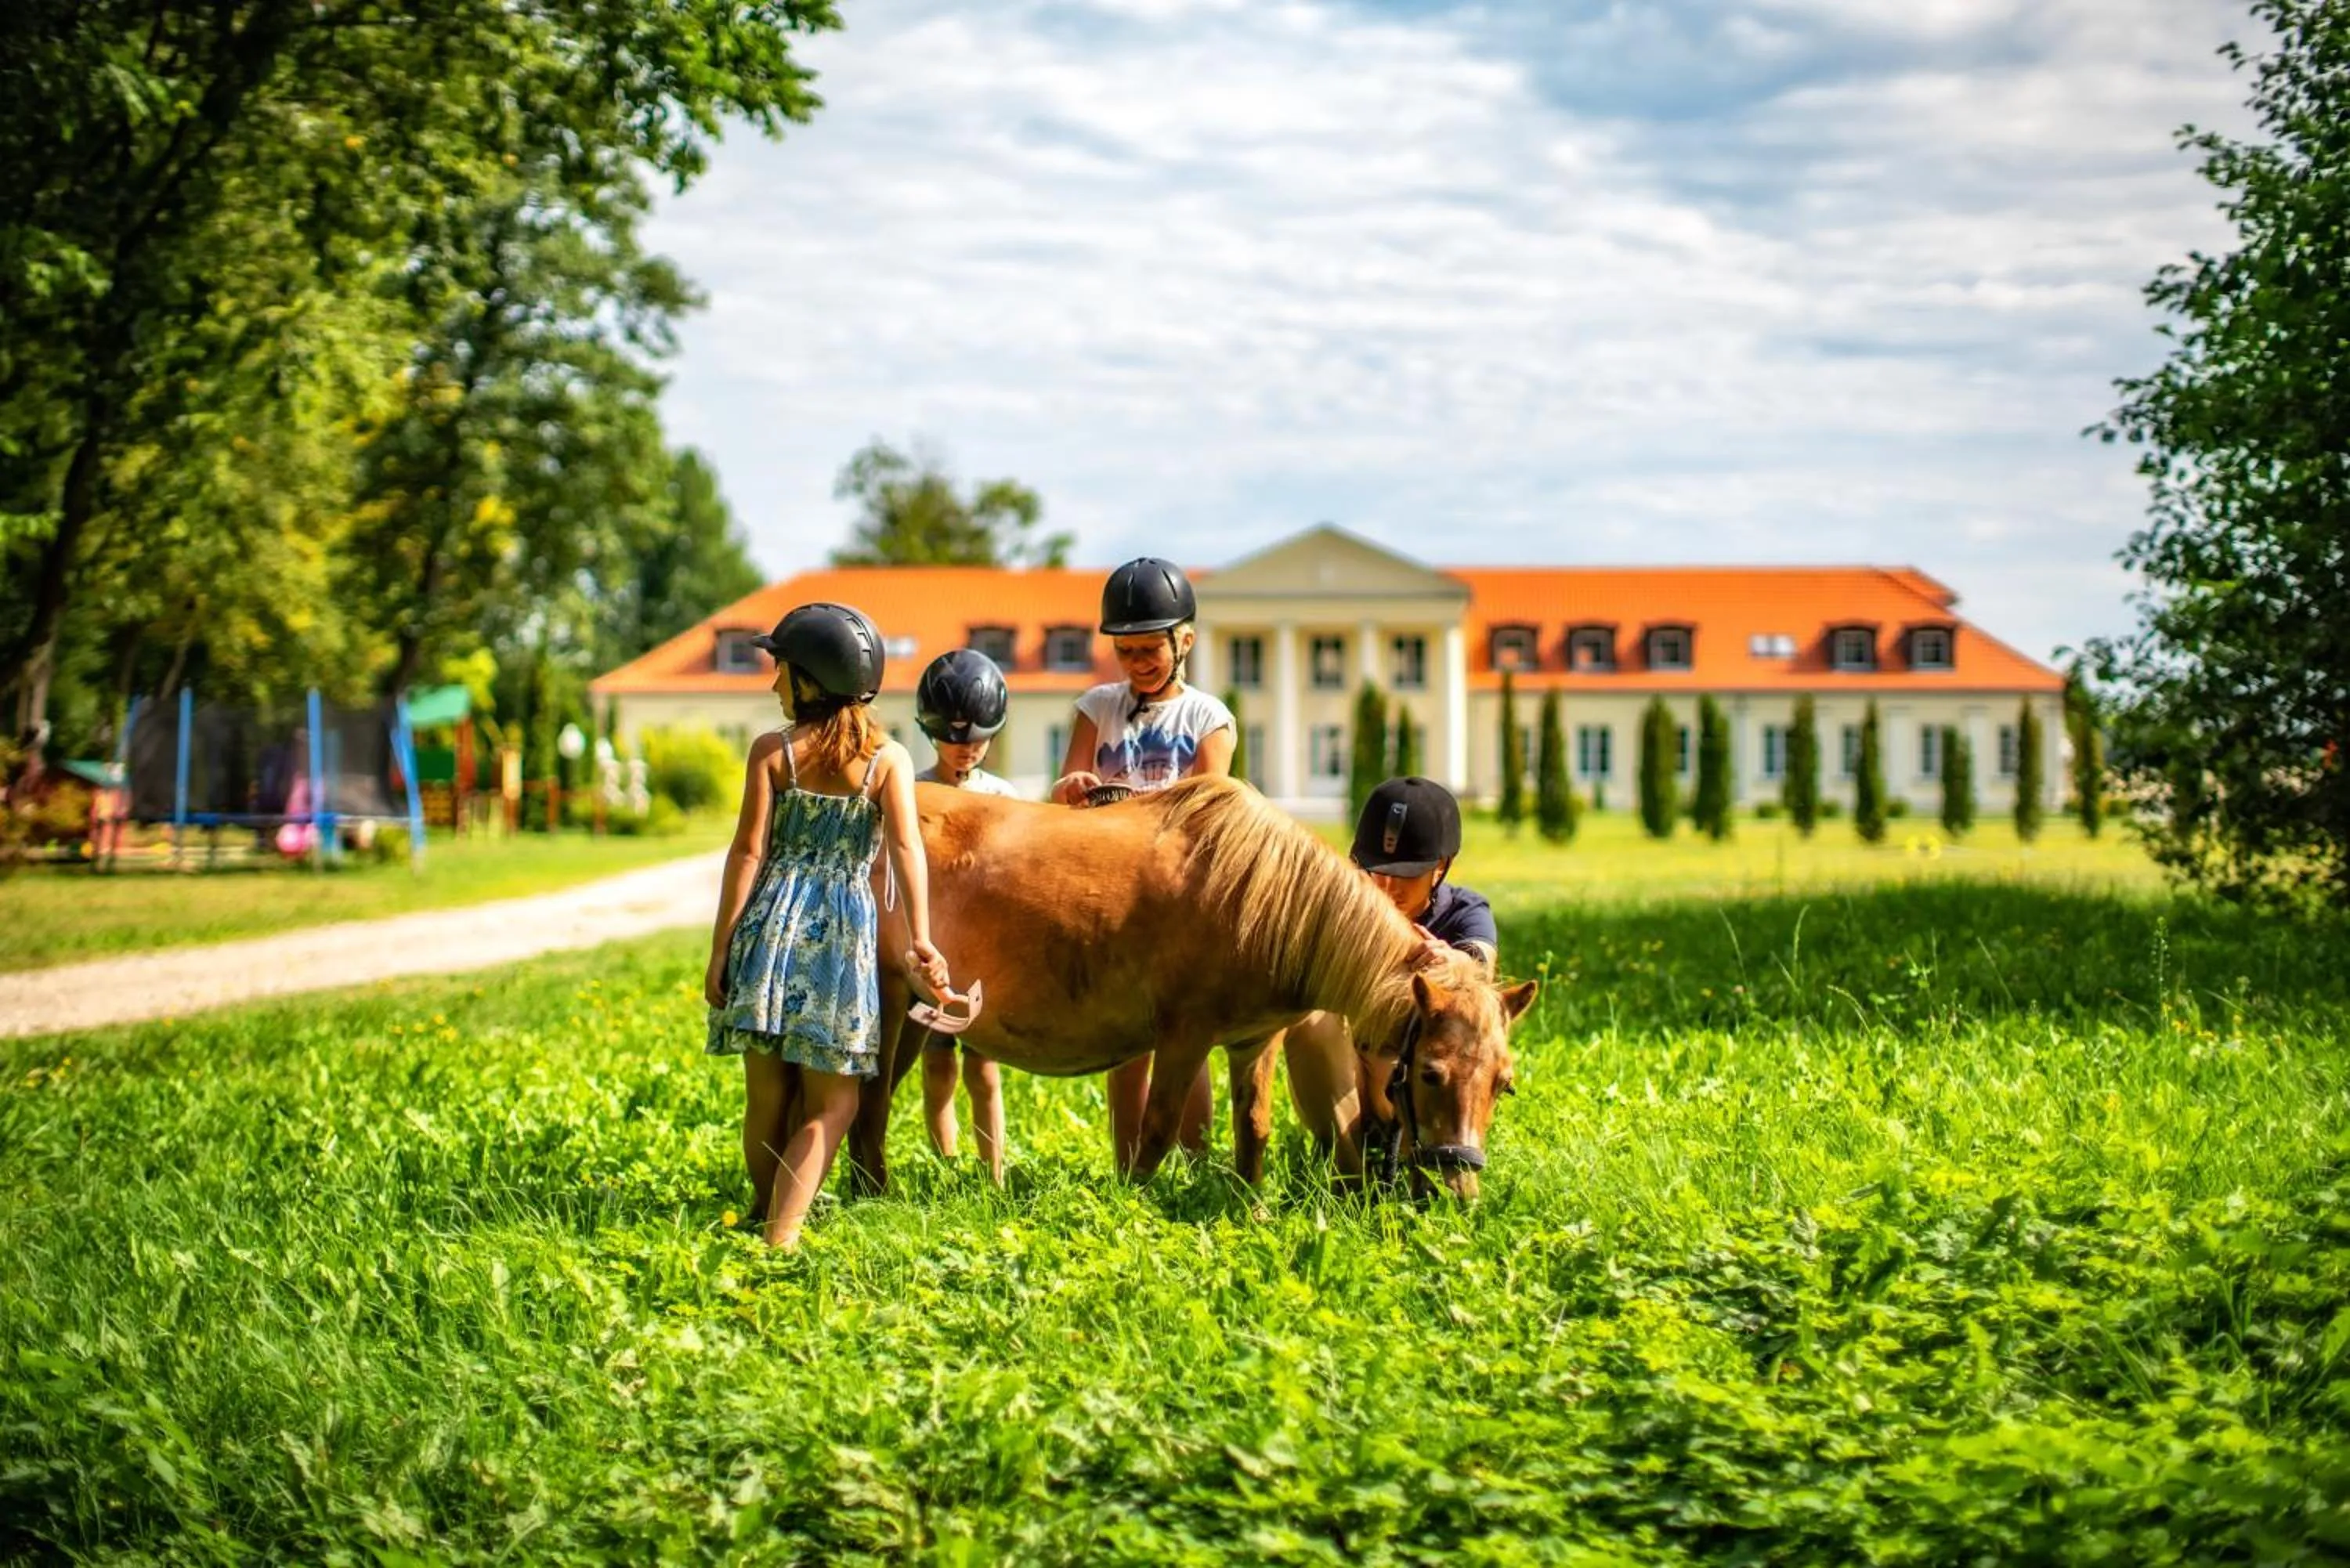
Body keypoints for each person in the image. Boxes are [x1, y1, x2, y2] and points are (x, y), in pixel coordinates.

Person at [704, 602, 956, 1249]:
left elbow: (749, 854)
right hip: (840, 942)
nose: (772, 683)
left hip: (768, 931)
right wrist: (922, 937)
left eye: (780, 670)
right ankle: (781, 1236)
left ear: (811, 680)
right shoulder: (888, 760)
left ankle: (766, 1210)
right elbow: (906, 852)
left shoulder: (773, 752)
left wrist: (722, 947)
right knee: (833, 1105)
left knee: (765, 1097)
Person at [1050, 558, 1236, 1169]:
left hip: (1178, 896)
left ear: (1185, 641)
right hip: (1111, 890)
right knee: (1126, 1040)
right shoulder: (1097, 707)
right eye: (1125, 652)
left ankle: (1198, 1160)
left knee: (1187, 1037)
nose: (1137, 663)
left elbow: (1210, 810)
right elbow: (1069, 783)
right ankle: (1131, 1168)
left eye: (1149, 649)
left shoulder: (1209, 718)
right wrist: (1075, 785)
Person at [1282, 775, 1498, 1160]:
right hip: (1344, 1065)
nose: (1386, 886)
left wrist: (1456, 960)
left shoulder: (1465, 911)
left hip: (1406, 1070)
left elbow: (1481, 955)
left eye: (1405, 874)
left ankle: (1424, 1150)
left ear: (1442, 867)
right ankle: (1348, 1165)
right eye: (1375, 869)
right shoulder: (1339, 908)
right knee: (1311, 1022)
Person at [913, 648, 1016, 1181]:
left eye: (975, 740)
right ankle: (945, 1161)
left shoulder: (1005, 798)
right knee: (936, 1063)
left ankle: (993, 1169)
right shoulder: (915, 791)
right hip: (932, 954)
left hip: (984, 957)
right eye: (953, 739)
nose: (964, 750)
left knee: (985, 1067)